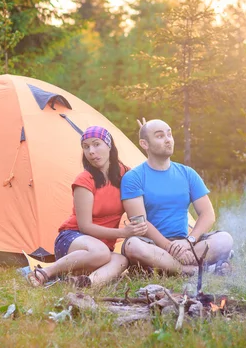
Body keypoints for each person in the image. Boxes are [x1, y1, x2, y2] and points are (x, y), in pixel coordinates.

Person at [27, 126, 148, 288]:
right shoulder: (84, 181)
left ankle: (85, 283)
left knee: (121, 260)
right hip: (73, 239)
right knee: (101, 252)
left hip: (101, 249)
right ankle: (45, 272)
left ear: (109, 145)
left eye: (96, 144)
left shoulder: (125, 175)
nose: (91, 151)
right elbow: (85, 226)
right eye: (86, 147)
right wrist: (123, 233)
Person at [120, 118, 233, 276]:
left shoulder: (187, 174)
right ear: (144, 144)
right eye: (160, 136)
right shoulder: (133, 177)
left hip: (184, 242)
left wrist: (189, 241)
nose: (167, 140)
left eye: (169, 135)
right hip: (151, 244)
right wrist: (169, 247)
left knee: (225, 239)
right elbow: (140, 222)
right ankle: (193, 270)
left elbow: (208, 214)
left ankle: (165, 268)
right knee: (132, 245)